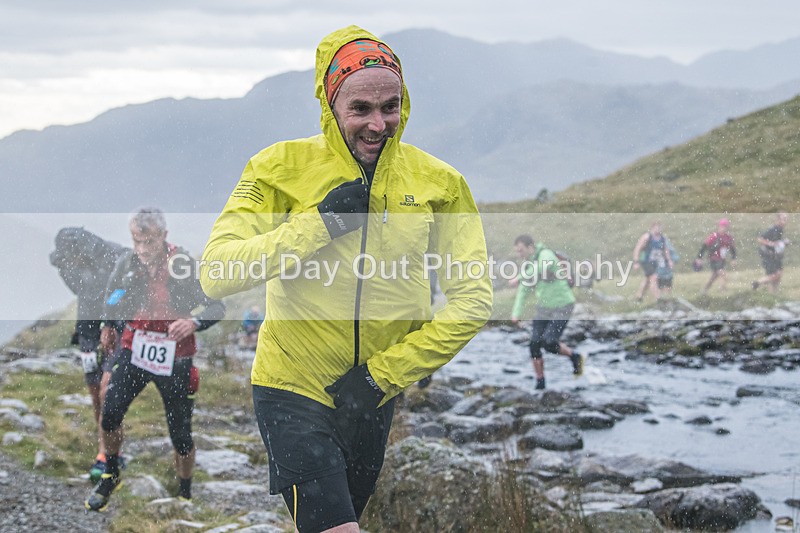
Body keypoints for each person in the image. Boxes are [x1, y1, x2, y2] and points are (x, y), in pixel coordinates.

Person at [199, 26, 493, 533]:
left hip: (372, 397)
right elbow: (218, 272)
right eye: (361, 109)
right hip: (291, 387)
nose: (379, 124)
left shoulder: (440, 184)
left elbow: (472, 300)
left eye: (391, 106)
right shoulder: (278, 168)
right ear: (331, 105)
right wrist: (318, 225)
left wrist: (384, 375)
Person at [84, 208, 225, 512]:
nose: (142, 250)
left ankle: (184, 494)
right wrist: (107, 323)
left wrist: (194, 322)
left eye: (149, 242)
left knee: (181, 434)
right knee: (110, 414)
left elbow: (217, 306)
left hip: (176, 357)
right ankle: (110, 473)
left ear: (163, 236)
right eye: (137, 241)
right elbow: (113, 293)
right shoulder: (128, 261)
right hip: (135, 349)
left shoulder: (183, 265)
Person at [49, 227, 127, 482]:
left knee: (107, 388)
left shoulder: (115, 256)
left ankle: (106, 454)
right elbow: (79, 291)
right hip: (87, 327)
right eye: (68, 259)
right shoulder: (61, 262)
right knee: (95, 389)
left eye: (75, 257)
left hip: (115, 324)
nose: (72, 262)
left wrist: (109, 316)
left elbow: (125, 289)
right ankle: (107, 446)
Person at [509, 235, 583, 390]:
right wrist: (516, 313)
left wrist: (520, 277)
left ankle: (575, 357)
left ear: (531, 247)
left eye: (521, 250)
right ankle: (540, 383)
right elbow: (523, 291)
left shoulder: (546, 255)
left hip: (563, 305)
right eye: (517, 251)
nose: (519, 254)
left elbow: (541, 268)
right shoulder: (529, 266)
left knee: (549, 343)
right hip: (543, 308)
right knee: (534, 344)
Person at [632, 222, 673, 302]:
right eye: (656, 227)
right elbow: (637, 249)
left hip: (655, 262)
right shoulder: (647, 237)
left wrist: (669, 260)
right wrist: (636, 261)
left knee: (647, 280)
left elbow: (665, 250)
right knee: (653, 278)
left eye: (659, 227)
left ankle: (639, 297)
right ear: (652, 228)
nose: (658, 229)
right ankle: (658, 299)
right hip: (646, 261)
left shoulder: (662, 238)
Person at [696, 218, 737, 293]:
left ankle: (705, 289)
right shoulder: (714, 236)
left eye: (725, 227)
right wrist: (699, 257)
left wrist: (733, 259)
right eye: (722, 226)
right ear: (719, 226)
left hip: (722, 260)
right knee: (723, 274)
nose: (723, 228)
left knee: (714, 276)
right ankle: (722, 291)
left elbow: (732, 249)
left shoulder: (729, 238)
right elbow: (704, 246)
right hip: (714, 258)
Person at [753, 212, 790, 292]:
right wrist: (770, 244)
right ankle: (757, 283)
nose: (785, 221)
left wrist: (783, 242)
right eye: (784, 219)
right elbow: (760, 239)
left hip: (775, 255)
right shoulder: (773, 228)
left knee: (778, 276)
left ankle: (773, 295)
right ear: (778, 220)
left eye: (786, 219)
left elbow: (776, 241)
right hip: (768, 255)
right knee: (774, 276)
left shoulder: (780, 229)